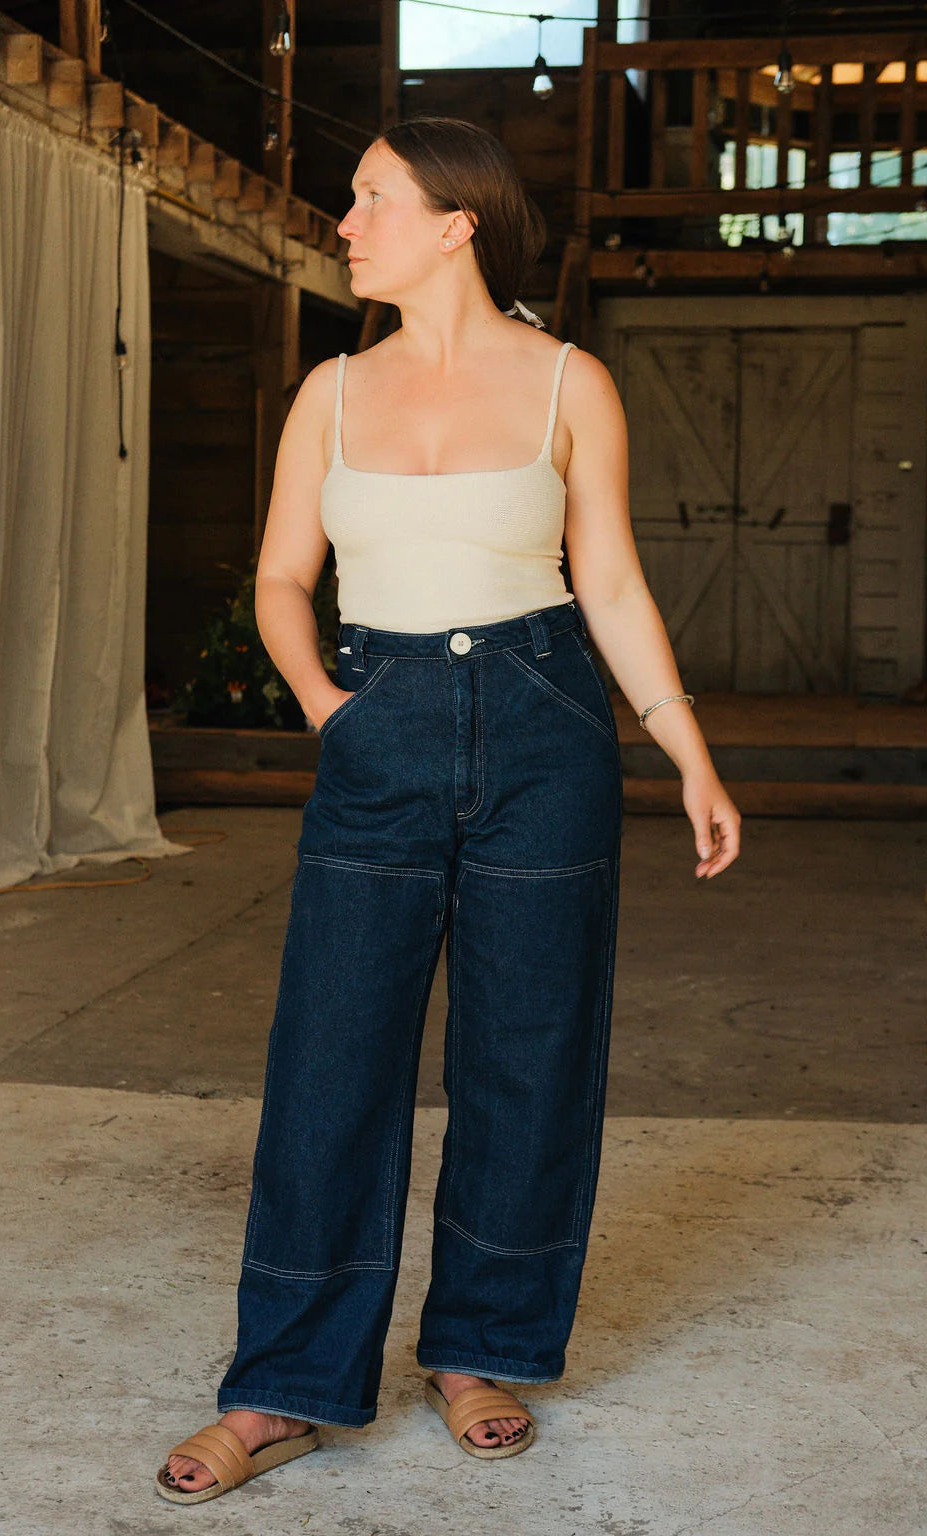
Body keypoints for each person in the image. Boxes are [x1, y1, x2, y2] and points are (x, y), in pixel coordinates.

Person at [156, 115, 741, 1506]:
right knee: (331, 1057)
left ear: (456, 222)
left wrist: (689, 752)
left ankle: (480, 1349)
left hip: (544, 726)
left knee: (529, 1054)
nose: (346, 222)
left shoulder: (569, 384)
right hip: (381, 723)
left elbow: (610, 583)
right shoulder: (330, 392)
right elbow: (282, 579)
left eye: (371, 199)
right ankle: (283, 1384)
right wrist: (328, 707)